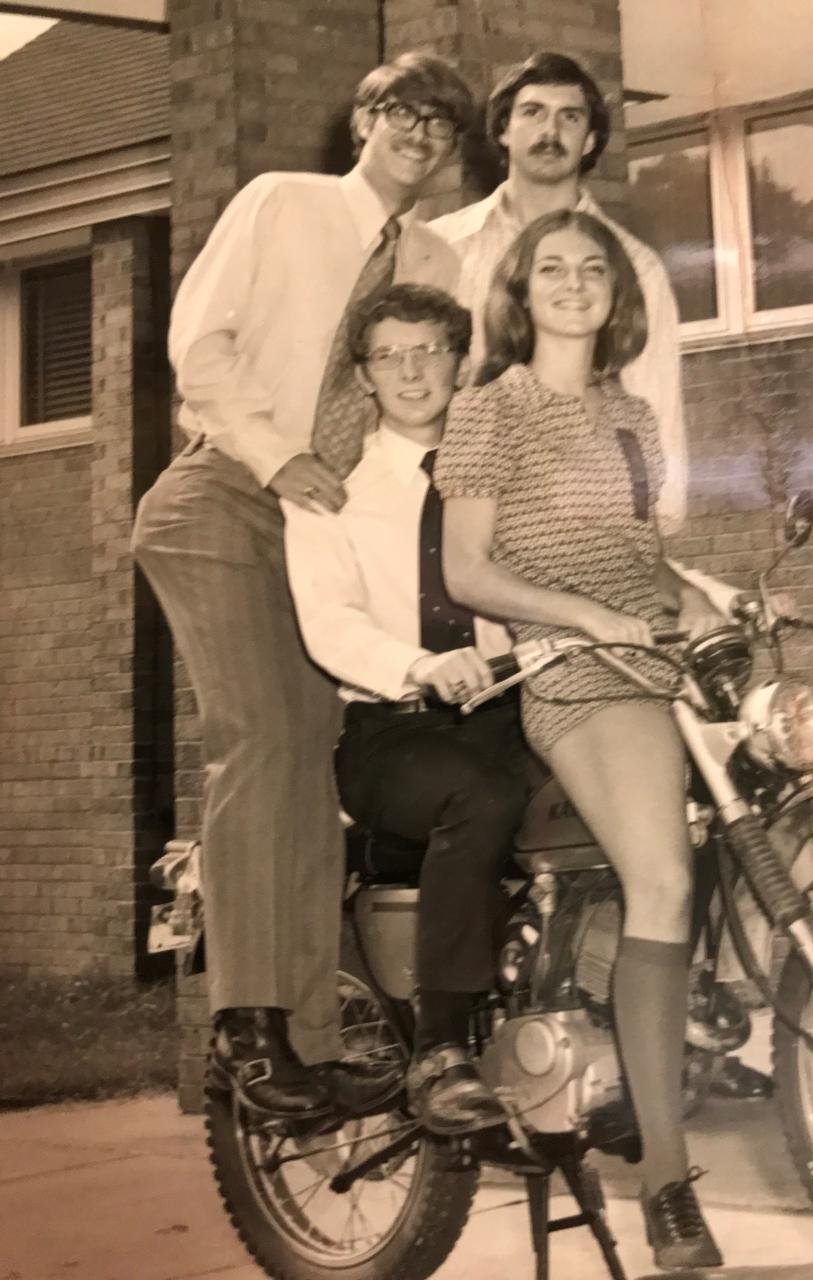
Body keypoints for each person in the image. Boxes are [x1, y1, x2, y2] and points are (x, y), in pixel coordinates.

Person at [131, 53, 474, 1121]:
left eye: (442, 124)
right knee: (266, 738)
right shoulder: (280, 202)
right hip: (226, 494)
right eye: (402, 111)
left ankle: (311, 1035)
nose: (419, 133)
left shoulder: (435, 258)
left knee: (320, 757)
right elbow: (199, 342)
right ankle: (243, 1026)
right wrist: (276, 453)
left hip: (320, 526)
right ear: (364, 117)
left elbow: (419, 398)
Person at [435, 209, 726, 1270]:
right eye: (549, 268)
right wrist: (582, 616)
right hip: (569, 668)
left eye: (590, 267)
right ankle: (669, 1185)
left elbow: (640, 552)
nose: (570, 281)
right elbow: (467, 569)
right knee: (665, 884)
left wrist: (698, 597)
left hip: (650, 654)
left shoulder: (632, 417)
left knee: (756, 819)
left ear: (617, 292)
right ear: (519, 292)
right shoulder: (489, 409)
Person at [284, 282, 528, 1134]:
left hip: (509, 705)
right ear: (365, 376)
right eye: (391, 354)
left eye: (430, 348)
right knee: (483, 797)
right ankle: (442, 1048)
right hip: (394, 729)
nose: (413, 368)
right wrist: (420, 667)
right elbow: (329, 625)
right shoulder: (329, 496)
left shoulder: (503, 477)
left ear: (461, 362)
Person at [430, 50, 686, 534]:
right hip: (453, 515)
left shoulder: (633, 265)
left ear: (590, 140)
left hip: (577, 524)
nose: (551, 132)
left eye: (569, 117)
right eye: (533, 113)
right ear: (504, 130)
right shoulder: (442, 247)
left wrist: (658, 534)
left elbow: (655, 404)